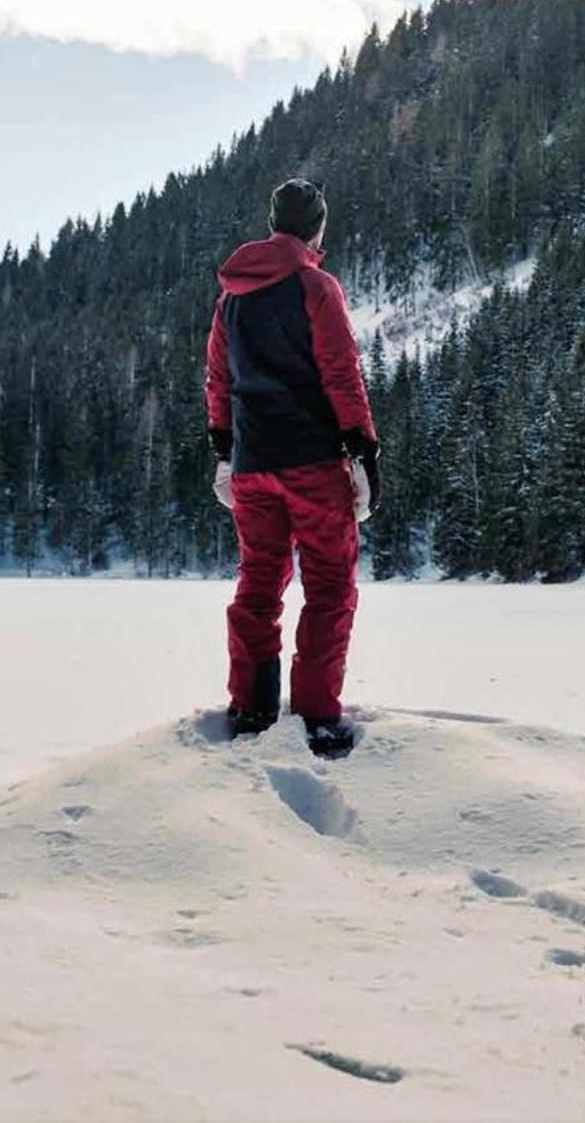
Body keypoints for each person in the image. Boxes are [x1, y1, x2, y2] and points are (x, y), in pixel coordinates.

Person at [204, 178, 380, 759]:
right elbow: (340, 374)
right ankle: (318, 719)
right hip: (310, 461)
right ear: (317, 228)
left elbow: (219, 382)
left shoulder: (232, 299)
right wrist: (363, 450)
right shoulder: (315, 286)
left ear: (274, 221)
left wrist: (226, 452)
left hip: (253, 463)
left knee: (259, 583)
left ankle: (252, 709)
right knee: (330, 587)